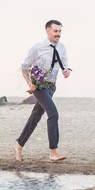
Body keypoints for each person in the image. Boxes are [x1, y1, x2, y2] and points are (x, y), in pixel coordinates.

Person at [14, 20, 71, 162]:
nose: (58, 34)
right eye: (55, 31)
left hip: (51, 86)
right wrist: (30, 83)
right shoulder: (37, 48)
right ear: (48, 31)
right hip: (39, 86)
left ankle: (19, 144)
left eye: (60, 31)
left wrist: (66, 70)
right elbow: (24, 67)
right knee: (53, 114)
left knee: (35, 117)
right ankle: (53, 152)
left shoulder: (62, 47)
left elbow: (64, 64)